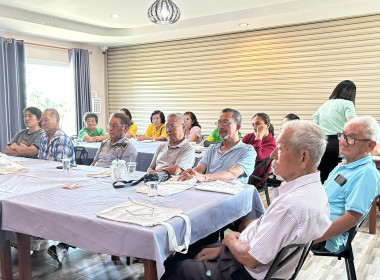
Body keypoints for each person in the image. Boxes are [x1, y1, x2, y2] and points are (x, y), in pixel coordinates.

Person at [163, 120, 332, 280]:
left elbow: (251, 258)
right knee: (195, 250)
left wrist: (229, 240)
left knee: (172, 267)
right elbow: (265, 238)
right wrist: (228, 246)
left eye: (280, 149)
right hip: (248, 259)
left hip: (243, 272)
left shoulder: (292, 205)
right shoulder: (316, 191)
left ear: (303, 157)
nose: (272, 155)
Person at [314, 116, 380, 253]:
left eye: (352, 138)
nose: (343, 142)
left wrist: (310, 239)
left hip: (324, 237)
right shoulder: (344, 165)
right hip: (311, 221)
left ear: (370, 145)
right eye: (343, 135)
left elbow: (351, 219)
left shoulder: (366, 174)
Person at [179, 108, 256, 184]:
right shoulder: (212, 148)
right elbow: (200, 168)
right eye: (219, 123)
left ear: (238, 127)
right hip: (207, 189)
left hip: (231, 192)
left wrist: (204, 177)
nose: (221, 126)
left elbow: (232, 174)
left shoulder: (247, 151)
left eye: (225, 122)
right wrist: (191, 173)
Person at [313, 80, 357, 183]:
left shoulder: (325, 104)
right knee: (339, 175)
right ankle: (338, 196)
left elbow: (315, 122)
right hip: (338, 143)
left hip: (322, 143)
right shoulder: (348, 103)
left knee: (323, 173)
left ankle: (324, 197)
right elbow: (353, 124)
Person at [242, 113, 276, 186]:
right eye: (253, 124)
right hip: (242, 171)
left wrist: (259, 136)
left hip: (255, 178)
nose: (254, 127)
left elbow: (257, 157)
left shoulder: (272, 143)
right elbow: (237, 150)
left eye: (257, 124)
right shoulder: (249, 137)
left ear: (267, 125)